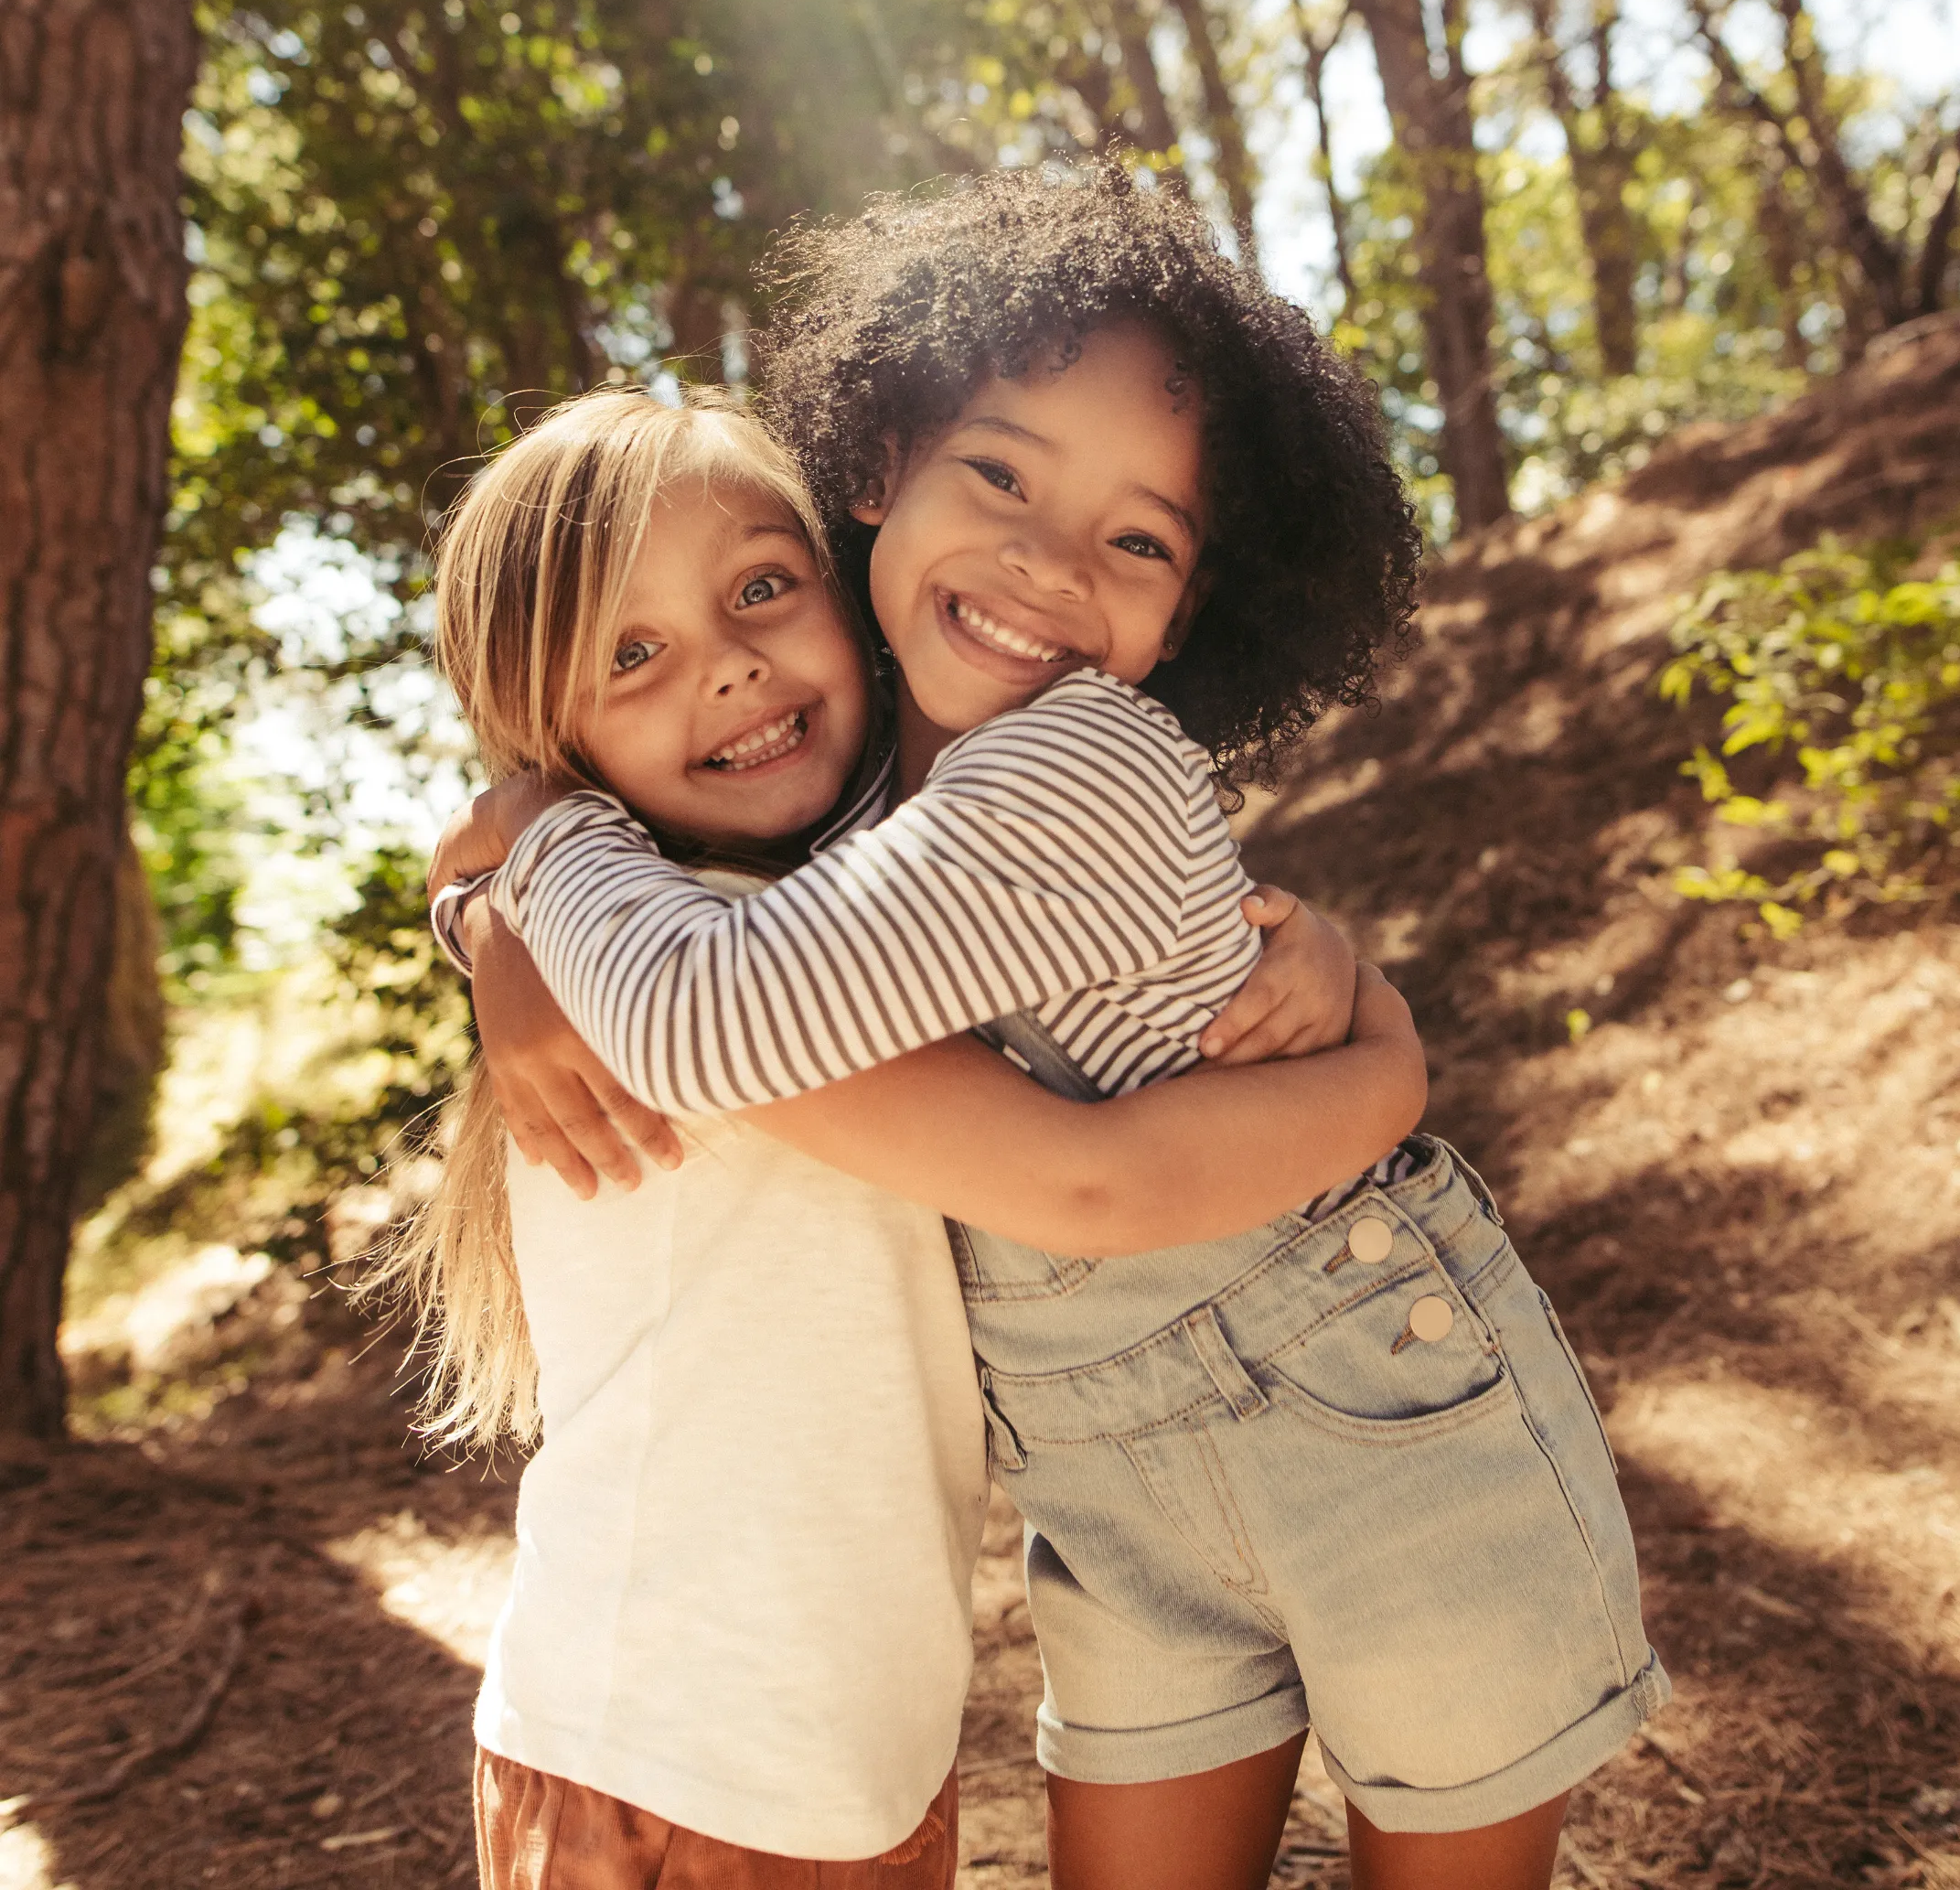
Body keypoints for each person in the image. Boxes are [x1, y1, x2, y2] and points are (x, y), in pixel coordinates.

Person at [450, 166, 1668, 1890]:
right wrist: (494, 908)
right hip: (1104, 1485)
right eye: (1003, 475)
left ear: (1195, 612)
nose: (1043, 560)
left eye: (1140, 539)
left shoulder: (1071, 757)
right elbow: (718, 969)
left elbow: (729, 1028)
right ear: (878, 469)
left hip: (1372, 1414)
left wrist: (530, 843)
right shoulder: (855, 794)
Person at [387, 383, 1428, 1890]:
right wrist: (1388, 1066)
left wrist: (1306, 949)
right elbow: (1093, 1176)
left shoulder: (829, 936)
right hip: (695, 1767)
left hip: (832, 1758)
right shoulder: (710, 991)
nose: (733, 668)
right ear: (553, 737)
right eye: (633, 652)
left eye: (761, 587)